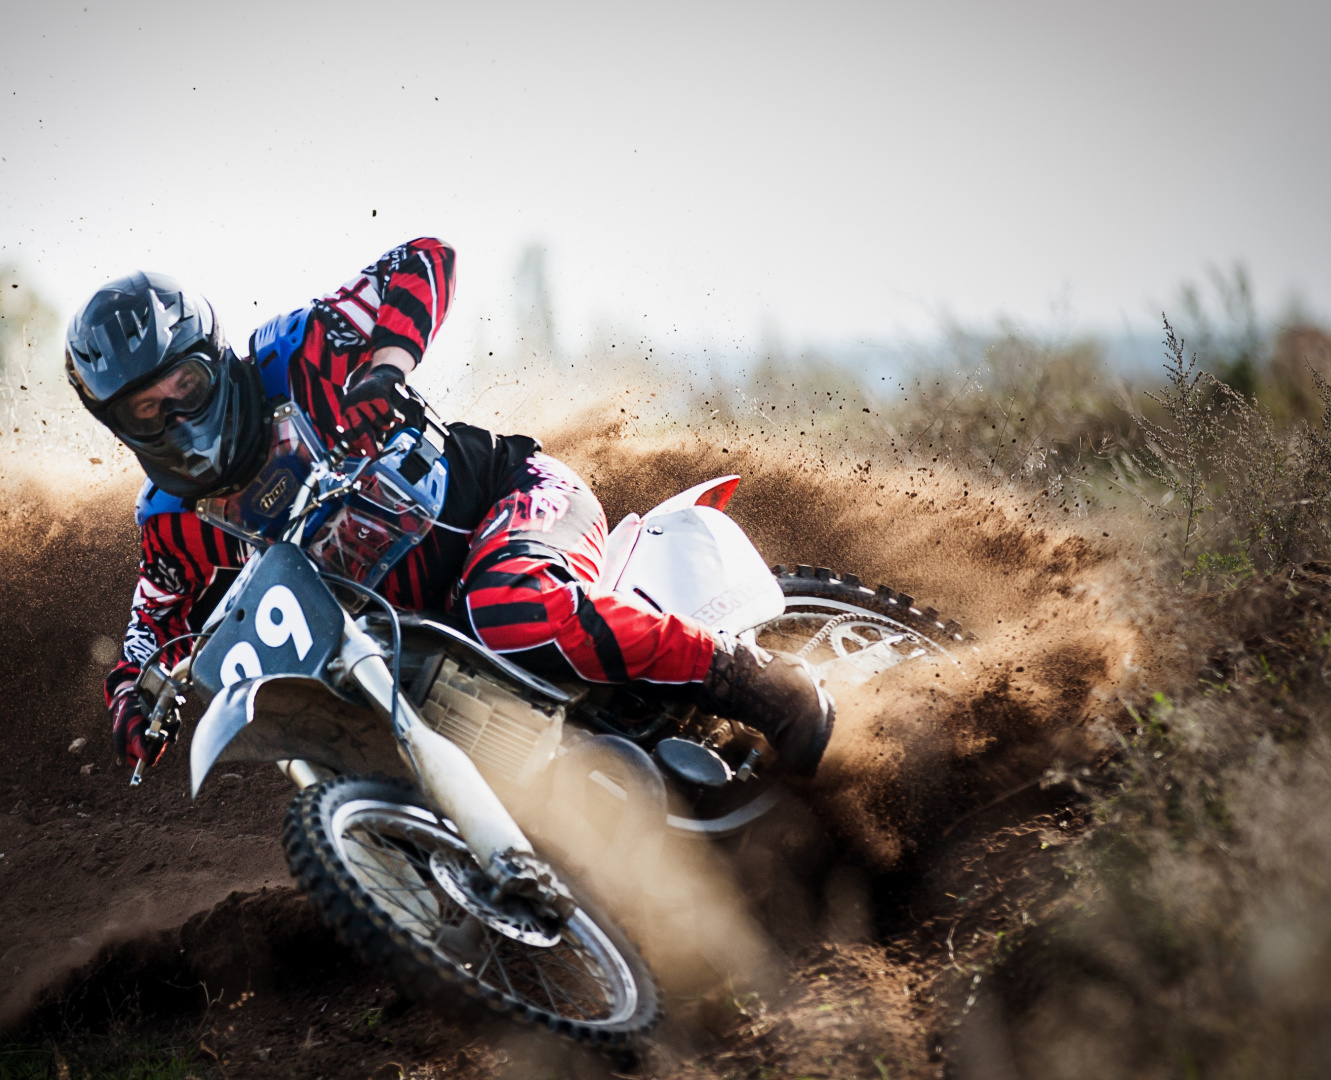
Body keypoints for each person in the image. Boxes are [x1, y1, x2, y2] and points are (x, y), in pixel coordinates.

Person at [65, 239, 834, 777]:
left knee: (512, 607)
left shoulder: (297, 355)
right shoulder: (172, 522)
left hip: (518, 499)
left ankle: (759, 683)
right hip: (410, 642)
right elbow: (152, 628)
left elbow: (426, 260)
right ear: (118, 425)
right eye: (146, 410)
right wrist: (134, 701)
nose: (176, 417)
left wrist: (387, 366)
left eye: (186, 388)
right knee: (351, 730)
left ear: (214, 359)